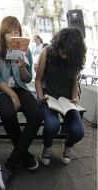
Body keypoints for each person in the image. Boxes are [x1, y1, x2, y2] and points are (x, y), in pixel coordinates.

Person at [0, 16, 43, 190]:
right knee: (8, 113)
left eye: (16, 31)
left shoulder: (25, 51)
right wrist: (12, 95)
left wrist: (21, 67)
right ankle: (25, 155)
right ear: (2, 34)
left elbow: (28, 79)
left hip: (21, 88)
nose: (13, 35)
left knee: (36, 115)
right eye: (9, 32)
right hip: (0, 90)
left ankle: (9, 165)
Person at [35, 27, 86, 166]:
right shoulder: (47, 52)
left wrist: (75, 98)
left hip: (66, 101)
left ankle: (68, 146)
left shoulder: (74, 58)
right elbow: (38, 79)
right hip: (48, 98)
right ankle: (47, 147)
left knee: (78, 131)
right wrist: (40, 97)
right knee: (52, 126)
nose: (64, 55)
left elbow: (74, 82)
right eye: (62, 51)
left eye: (68, 53)